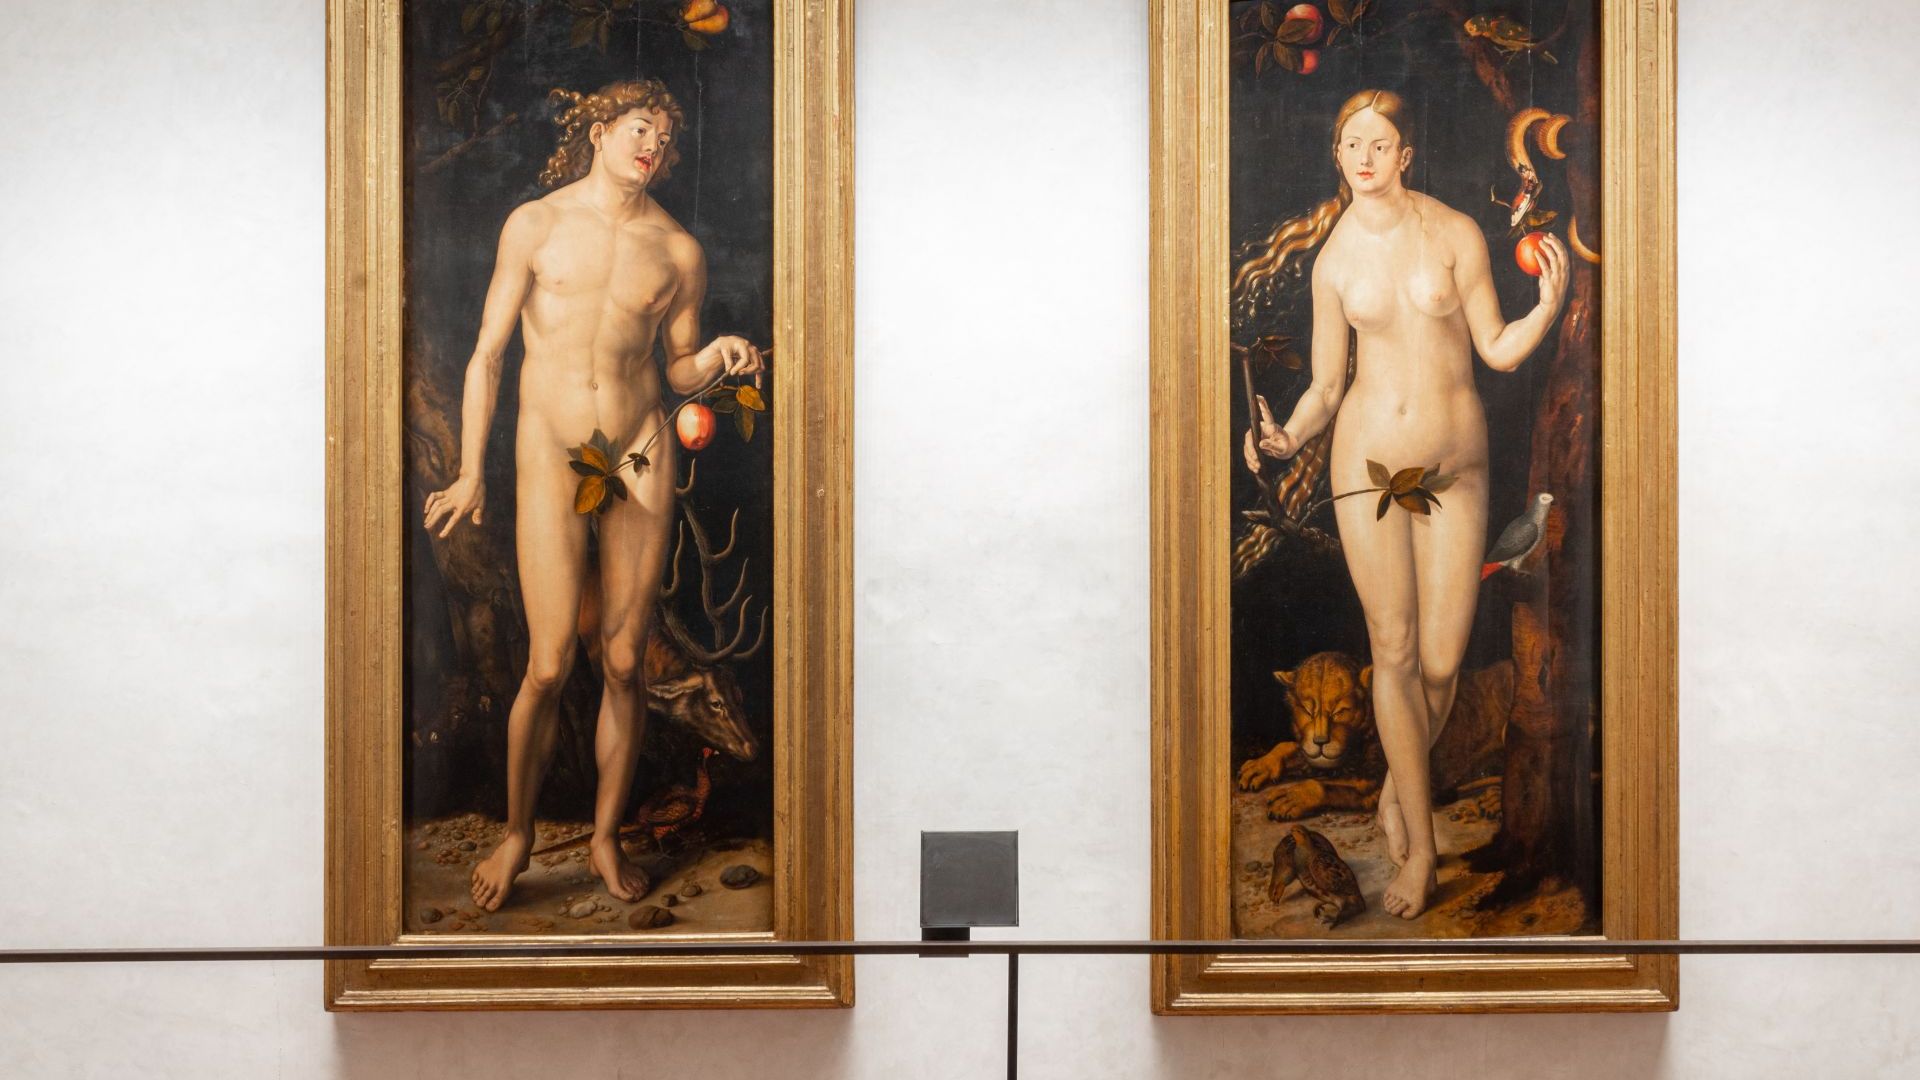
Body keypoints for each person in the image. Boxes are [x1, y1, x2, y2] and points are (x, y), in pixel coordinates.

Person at [422, 79, 765, 912]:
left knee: (622, 660)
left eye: (664, 138)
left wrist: (719, 353)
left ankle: (606, 838)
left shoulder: (678, 250)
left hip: (640, 448)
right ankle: (517, 836)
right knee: (547, 663)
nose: (652, 146)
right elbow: (487, 356)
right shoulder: (535, 224)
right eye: (641, 128)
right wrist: (469, 471)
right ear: (600, 130)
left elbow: (677, 369)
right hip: (550, 449)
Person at [1239, 89, 1569, 918]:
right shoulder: (1333, 262)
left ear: (1406, 155)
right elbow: (1325, 387)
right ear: (1336, 153)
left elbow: (1496, 349)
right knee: (1392, 650)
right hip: (1366, 463)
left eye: (1380, 144)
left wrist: (1546, 310)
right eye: (1352, 144)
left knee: (1442, 661)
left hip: (1456, 465)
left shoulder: (1455, 235)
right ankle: (1420, 849)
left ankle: (1400, 782)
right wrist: (1285, 438)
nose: (1365, 158)